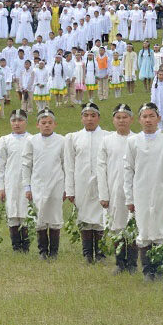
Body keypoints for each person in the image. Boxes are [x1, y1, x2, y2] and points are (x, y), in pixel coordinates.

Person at [124, 103, 163, 281]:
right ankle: (147, 270)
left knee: (160, 230)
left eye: (151, 116)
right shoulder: (133, 142)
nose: (148, 120)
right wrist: (129, 197)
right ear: (139, 120)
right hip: (141, 192)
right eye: (144, 116)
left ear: (158, 118)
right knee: (144, 229)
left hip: (162, 191)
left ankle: (158, 270)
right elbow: (128, 169)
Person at [63, 102, 110, 264]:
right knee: (84, 218)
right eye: (86, 116)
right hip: (81, 182)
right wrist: (70, 189)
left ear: (98, 118)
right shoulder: (73, 138)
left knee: (100, 218)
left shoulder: (107, 136)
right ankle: (88, 253)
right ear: (81, 118)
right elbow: (69, 165)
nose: (89, 119)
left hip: (101, 183)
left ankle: (101, 252)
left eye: (93, 116)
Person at [97, 103, 137, 274]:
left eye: (125, 117)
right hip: (114, 190)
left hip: (135, 192)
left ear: (131, 119)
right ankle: (120, 262)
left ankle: (133, 262)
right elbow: (101, 168)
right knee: (117, 226)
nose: (122, 121)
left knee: (133, 226)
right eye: (118, 117)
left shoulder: (137, 140)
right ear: (113, 120)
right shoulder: (106, 141)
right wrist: (104, 194)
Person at [21, 108, 65, 259]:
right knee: (39, 216)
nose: (47, 125)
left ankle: (54, 252)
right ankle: (42, 251)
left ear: (55, 124)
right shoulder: (32, 141)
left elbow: (66, 164)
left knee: (54, 216)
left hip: (56, 183)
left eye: (50, 123)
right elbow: (26, 164)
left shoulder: (62, 140)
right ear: (37, 124)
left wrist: (66, 187)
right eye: (43, 122)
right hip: (38, 184)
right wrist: (27, 186)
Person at [0, 109, 31, 253]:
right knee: (12, 213)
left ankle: (26, 246)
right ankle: (16, 247)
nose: (17, 124)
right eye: (14, 121)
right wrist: (1, 187)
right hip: (10, 182)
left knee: (25, 213)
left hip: (27, 183)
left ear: (26, 122)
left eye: (20, 120)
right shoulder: (5, 140)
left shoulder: (32, 139)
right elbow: (0, 164)